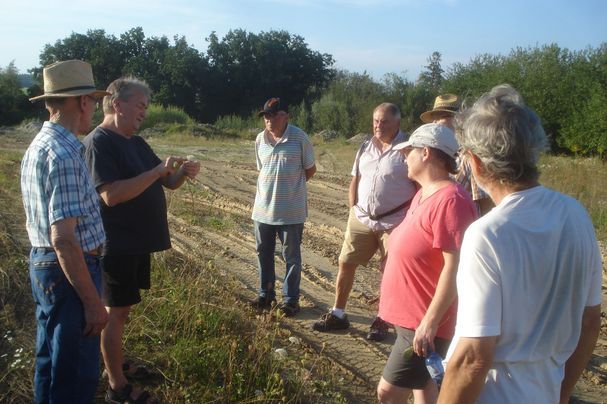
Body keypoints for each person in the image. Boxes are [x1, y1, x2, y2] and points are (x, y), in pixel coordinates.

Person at [438, 85, 603, 404]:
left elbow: (473, 358)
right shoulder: (576, 214)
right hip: (547, 389)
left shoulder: (487, 233)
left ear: (475, 161)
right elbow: (590, 320)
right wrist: (562, 393)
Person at [83, 77, 200, 403]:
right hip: (115, 245)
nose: (144, 113)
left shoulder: (135, 142)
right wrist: (155, 172)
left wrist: (182, 173)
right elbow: (111, 195)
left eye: (146, 108)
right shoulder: (100, 142)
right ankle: (117, 388)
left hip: (134, 244)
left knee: (122, 310)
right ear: (117, 104)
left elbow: (168, 181)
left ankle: (113, 365)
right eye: (140, 106)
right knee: (114, 313)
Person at [21, 59, 109, 403]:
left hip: (44, 266)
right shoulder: (66, 154)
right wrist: (92, 303)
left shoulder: (38, 147)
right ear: (82, 102)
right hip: (70, 271)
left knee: (50, 362)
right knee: (74, 371)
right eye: (91, 100)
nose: (92, 109)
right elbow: (64, 239)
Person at [376, 123, 477, 404]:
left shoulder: (451, 202)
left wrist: (429, 323)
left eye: (408, 151)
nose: (403, 156)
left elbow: (456, 267)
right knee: (424, 388)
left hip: (425, 322)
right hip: (412, 317)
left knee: (388, 393)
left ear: (426, 153)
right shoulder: (423, 193)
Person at [313, 103, 417, 341]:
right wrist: (353, 208)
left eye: (384, 122)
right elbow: (355, 179)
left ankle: (383, 320)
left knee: (390, 272)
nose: (378, 126)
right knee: (345, 263)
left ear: (397, 123)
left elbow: (419, 185)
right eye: (375, 121)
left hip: (395, 222)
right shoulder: (364, 147)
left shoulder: (408, 150)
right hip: (361, 218)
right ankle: (338, 313)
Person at [250, 97, 316, 317]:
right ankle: (266, 294)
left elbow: (310, 170)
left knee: (292, 258)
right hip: (262, 211)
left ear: (285, 116)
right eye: (266, 116)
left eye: (273, 115)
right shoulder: (260, 139)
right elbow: (263, 169)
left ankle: (290, 300)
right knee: (263, 254)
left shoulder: (299, 138)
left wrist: (290, 189)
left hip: (291, 212)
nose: (268, 120)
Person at [421, 93, 493, 215]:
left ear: (458, 119)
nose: (435, 123)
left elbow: (485, 204)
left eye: (441, 117)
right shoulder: (437, 153)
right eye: (434, 118)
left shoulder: (470, 155)